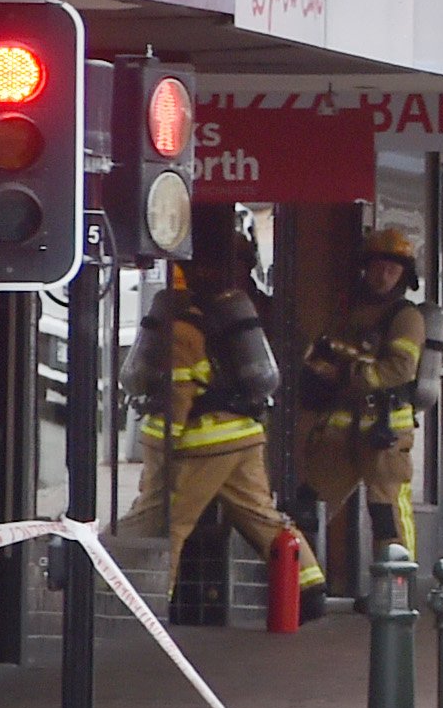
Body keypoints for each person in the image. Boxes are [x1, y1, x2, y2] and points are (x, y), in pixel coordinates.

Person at [119, 234, 326, 622]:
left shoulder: (180, 331)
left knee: (170, 522)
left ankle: (151, 607)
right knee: (259, 514)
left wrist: (163, 450)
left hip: (206, 443)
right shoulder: (216, 317)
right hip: (244, 436)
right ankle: (310, 587)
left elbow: (176, 399)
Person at [301, 227, 427, 562]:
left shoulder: (406, 317)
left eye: (392, 269)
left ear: (404, 275)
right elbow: (324, 350)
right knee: (306, 504)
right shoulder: (348, 313)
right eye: (377, 267)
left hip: (384, 431)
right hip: (342, 428)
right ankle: (303, 586)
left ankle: (396, 594)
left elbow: (400, 368)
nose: (383, 275)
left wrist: (346, 374)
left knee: (386, 513)